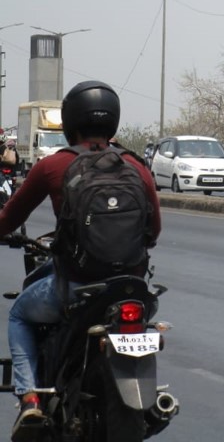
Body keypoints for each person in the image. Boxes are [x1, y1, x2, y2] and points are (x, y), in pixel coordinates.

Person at [0, 81, 162, 441]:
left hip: (76, 287)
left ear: (70, 120)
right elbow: (154, 231)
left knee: (20, 315)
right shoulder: (137, 167)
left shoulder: (53, 166)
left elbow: (7, 222)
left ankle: (29, 400)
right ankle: (155, 402)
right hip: (132, 290)